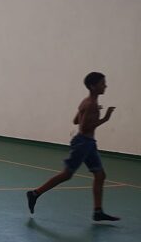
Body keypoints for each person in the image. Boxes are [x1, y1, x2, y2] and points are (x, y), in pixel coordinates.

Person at [26, 72, 119, 221]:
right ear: (93, 86)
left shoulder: (86, 102)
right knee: (67, 174)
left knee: (100, 175)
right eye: (102, 83)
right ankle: (35, 193)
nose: (105, 86)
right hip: (83, 143)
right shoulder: (91, 104)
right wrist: (105, 118)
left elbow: (76, 120)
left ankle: (98, 211)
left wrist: (93, 114)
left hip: (88, 144)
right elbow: (84, 128)